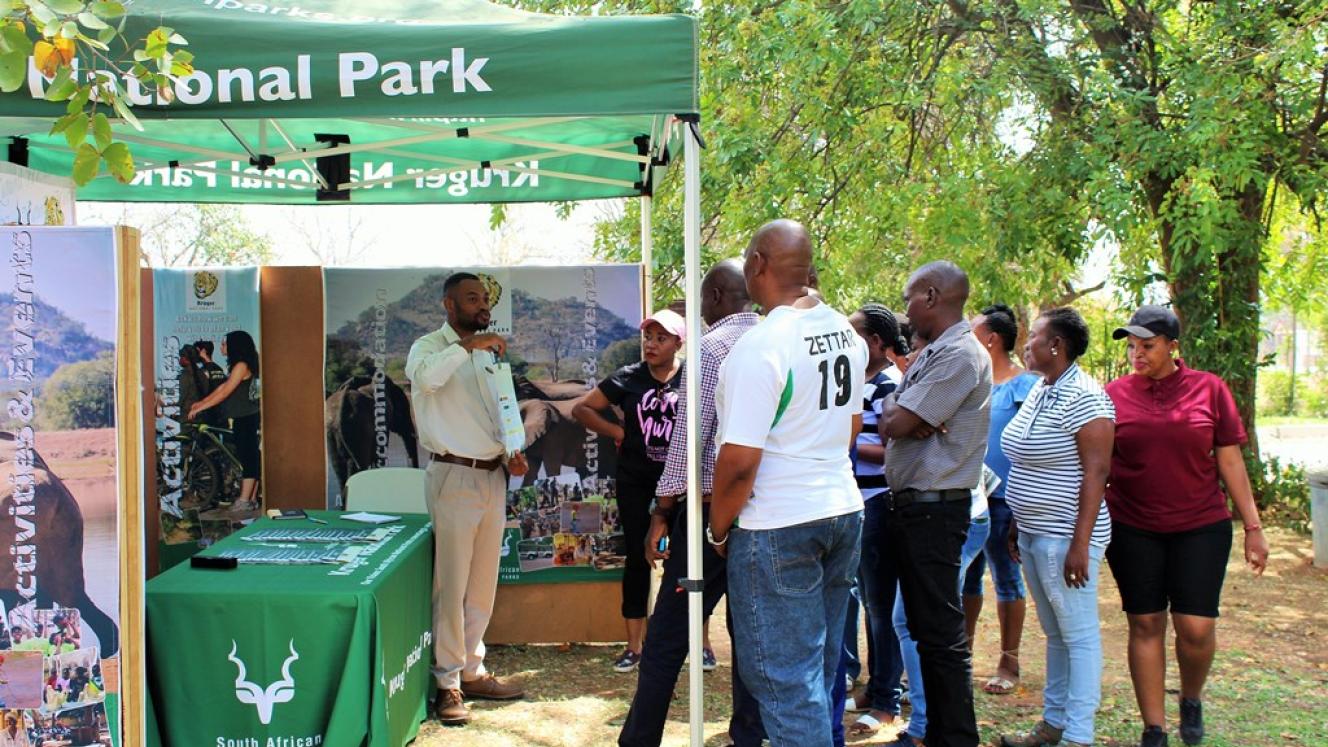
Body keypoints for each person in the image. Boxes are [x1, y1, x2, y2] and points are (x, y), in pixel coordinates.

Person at [708, 219, 867, 746]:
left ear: (757, 264)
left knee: (786, 684)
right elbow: (850, 427)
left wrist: (718, 528)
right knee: (816, 671)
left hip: (779, 523)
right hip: (841, 508)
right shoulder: (846, 332)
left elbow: (738, 462)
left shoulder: (762, 345)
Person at [1104, 305, 1269, 747]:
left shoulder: (1209, 389)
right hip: (1132, 525)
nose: (1137, 354)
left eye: (1148, 346)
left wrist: (1253, 527)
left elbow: (1230, 459)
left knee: (1196, 628)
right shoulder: (1113, 394)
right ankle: (1154, 729)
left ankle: (1191, 697)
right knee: (1145, 623)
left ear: (1173, 347)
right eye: (1132, 347)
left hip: (1201, 524)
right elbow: (1098, 463)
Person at [619, 259, 766, 747]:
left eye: (702, 299)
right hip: (765, 512)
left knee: (666, 636)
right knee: (749, 633)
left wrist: (661, 512)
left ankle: (639, 739)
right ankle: (748, 735)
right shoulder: (775, 339)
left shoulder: (711, 347)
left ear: (716, 297)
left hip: (709, 512)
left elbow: (688, 441)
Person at [405, 271, 530, 726]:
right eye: (472, 298)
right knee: (451, 585)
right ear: (449, 304)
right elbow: (424, 381)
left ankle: (473, 671)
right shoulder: (428, 348)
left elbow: (497, 412)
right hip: (453, 474)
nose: (482, 306)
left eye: (485, 299)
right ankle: (447, 683)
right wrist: (466, 346)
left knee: (481, 585)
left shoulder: (488, 355)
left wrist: (511, 450)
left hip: (493, 476)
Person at [878, 260, 990, 747]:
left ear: (930, 296)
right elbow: (894, 415)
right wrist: (903, 410)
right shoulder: (936, 352)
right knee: (926, 631)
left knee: (941, 636)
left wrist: (906, 414)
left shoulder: (961, 354)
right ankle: (942, 733)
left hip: (936, 509)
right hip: (915, 506)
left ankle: (958, 737)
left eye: (908, 299)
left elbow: (894, 424)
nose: (906, 312)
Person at [998, 308, 1115, 747]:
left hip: (1066, 536)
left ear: (1056, 345)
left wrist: (1080, 544)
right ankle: (1053, 724)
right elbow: (1027, 458)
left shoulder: (1086, 397)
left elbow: (1096, 473)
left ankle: (1078, 736)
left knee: (1078, 635)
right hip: (1033, 532)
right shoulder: (1042, 388)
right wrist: (1017, 518)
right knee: (1056, 634)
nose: (1026, 344)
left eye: (1034, 336)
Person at [573, 309, 684, 673]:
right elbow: (583, 409)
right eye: (648, 338)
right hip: (636, 481)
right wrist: (619, 433)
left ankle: (696, 644)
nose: (651, 345)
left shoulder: (692, 378)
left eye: (661, 338)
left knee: (686, 560)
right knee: (638, 558)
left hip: (681, 484)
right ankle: (634, 646)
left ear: (678, 343)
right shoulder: (629, 377)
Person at [838, 304, 907, 739]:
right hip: (855, 502)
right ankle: (873, 686)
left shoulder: (888, 385)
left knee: (882, 606)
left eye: (854, 334)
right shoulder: (853, 382)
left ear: (877, 343)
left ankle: (887, 701)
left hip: (879, 501)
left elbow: (893, 450)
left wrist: (842, 444)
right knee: (868, 599)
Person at [963, 304, 1039, 695]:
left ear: (991, 339)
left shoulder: (1025, 386)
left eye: (973, 331)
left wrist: (1023, 506)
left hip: (1006, 499)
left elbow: (1032, 447)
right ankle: (962, 654)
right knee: (966, 577)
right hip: (970, 497)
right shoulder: (970, 382)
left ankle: (1009, 661)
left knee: (1007, 579)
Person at [187, 330, 262, 511]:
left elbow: (225, 392)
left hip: (247, 417)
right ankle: (251, 499)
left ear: (235, 345)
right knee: (249, 457)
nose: (222, 347)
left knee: (248, 458)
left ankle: (244, 500)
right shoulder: (238, 366)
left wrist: (201, 407)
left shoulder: (242, 366)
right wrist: (201, 403)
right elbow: (222, 388)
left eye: (224, 343)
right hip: (242, 417)